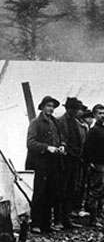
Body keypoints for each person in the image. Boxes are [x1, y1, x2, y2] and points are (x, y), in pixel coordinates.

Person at [27, 96, 66, 234]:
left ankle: (46, 223)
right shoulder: (36, 123)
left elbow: (62, 139)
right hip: (41, 163)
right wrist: (46, 147)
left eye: (53, 106)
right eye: (48, 106)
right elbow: (30, 143)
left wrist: (61, 146)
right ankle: (35, 223)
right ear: (42, 107)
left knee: (51, 193)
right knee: (40, 193)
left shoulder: (56, 122)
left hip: (55, 162)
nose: (51, 108)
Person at [56, 97, 86, 230]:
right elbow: (62, 140)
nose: (80, 112)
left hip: (75, 161)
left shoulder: (77, 122)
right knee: (61, 190)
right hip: (65, 161)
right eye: (77, 109)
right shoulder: (61, 122)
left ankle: (67, 219)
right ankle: (58, 220)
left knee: (71, 190)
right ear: (70, 110)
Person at [83, 104, 104, 228]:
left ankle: (99, 215)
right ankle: (93, 219)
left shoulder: (102, 129)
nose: (102, 116)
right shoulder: (94, 131)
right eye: (99, 113)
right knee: (95, 191)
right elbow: (88, 148)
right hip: (97, 165)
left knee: (102, 191)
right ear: (94, 115)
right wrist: (91, 163)